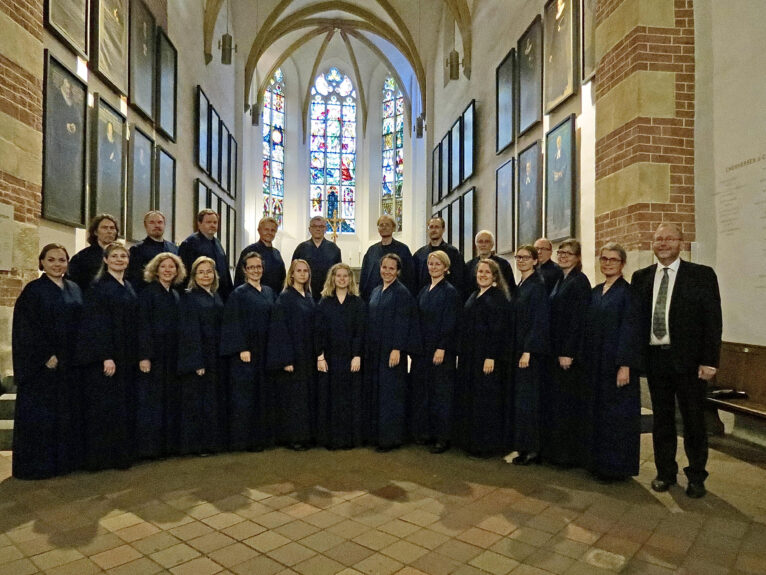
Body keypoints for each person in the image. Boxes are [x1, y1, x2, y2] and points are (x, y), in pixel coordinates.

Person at [631, 223, 722, 498]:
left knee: (693, 421)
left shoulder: (701, 275)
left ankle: (696, 476)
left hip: (690, 363)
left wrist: (709, 360)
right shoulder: (641, 277)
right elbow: (636, 321)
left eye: (669, 238)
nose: (663, 243)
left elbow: (712, 321)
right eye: (658, 239)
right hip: (656, 360)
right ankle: (665, 473)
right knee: (662, 420)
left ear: (681, 243)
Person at [12, 244, 83, 479]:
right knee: (42, 417)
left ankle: (64, 463)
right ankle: (38, 466)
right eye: (51, 260)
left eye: (62, 260)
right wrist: (45, 355)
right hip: (42, 367)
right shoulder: (33, 290)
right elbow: (26, 328)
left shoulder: (74, 288)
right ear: (41, 262)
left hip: (69, 364)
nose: (57, 264)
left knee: (65, 414)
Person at [583, 243, 641, 482]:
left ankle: (616, 468)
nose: (607, 263)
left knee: (616, 417)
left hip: (617, 364)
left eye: (613, 260)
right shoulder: (596, 291)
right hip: (597, 363)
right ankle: (597, 462)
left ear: (622, 264)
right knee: (598, 413)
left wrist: (625, 365)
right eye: (604, 259)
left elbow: (630, 329)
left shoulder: (628, 293)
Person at [77, 242, 137, 471]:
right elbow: (96, 325)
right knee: (105, 408)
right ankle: (101, 459)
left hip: (126, 354)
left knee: (122, 406)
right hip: (109, 357)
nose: (120, 260)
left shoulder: (128, 286)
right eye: (115, 256)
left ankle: (120, 455)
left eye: (123, 256)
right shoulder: (98, 287)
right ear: (105, 260)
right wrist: (106, 356)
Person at [220, 252, 276, 452]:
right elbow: (232, 322)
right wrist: (242, 347)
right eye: (251, 267)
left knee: (262, 394)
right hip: (246, 353)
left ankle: (262, 437)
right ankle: (246, 440)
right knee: (246, 396)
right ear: (244, 270)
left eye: (258, 267)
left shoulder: (268, 292)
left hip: (264, 350)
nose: (255, 270)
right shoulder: (238, 294)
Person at [365, 254, 421, 451]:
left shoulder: (402, 293)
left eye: (391, 268)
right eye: (384, 267)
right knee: (378, 392)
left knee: (391, 395)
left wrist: (397, 348)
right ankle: (376, 435)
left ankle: (390, 438)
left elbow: (403, 322)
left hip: (392, 351)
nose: (387, 271)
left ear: (398, 271)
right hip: (376, 351)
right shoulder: (376, 291)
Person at [543, 238, 591, 467]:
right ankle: (558, 452)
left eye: (568, 253)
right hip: (556, 349)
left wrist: (568, 352)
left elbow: (577, 321)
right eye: (560, 252)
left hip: (567, 353)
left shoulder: (579, 282)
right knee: (558, 403)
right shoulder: (561, 279)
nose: (562, 256)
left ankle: (568, 456)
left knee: (567, 404)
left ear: (577, 258)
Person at [456, 258, 509, 458]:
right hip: (471, 355)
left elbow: (498, 331)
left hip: (486, 357)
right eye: (480, 272)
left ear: (494, 276)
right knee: (472, 398)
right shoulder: (474, 294)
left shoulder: (497, 298)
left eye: (487, 272)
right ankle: (471, 442)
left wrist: (491, 356)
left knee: (485, 401)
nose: (483, 275)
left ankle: (485, 446)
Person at [135, 252, 185, 459]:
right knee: (153, 402)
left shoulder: (175, 294)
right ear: (155, 270)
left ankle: (167, 446)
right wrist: (144, 356)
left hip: (171, 354)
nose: (167, 270)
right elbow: (143, 326)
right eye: (163, 266)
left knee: (169, 400)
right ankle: (151, 448)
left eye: (172, 267)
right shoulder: (148, 294)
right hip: (154, 355)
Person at [411, 251, 461, 454]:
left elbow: (450, 322)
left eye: (437, 264)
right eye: (430, 264)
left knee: (441, 394)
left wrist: (442, 347)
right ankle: (427, 433)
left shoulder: (450, 292)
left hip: (441, 350)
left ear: (446, 267)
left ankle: (442, 437)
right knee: (426, 392)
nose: (433, 267)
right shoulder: (424, 290)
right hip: (424, 349)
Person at [177, 257, 226, 455]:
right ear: (194, 276)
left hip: (215, 355)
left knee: (211, 401)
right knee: (198, 403)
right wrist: (197, 362)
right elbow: (189, 332)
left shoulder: (215, 295)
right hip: (199, 357)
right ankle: (197, 445)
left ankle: (212, 442)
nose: (206, 275)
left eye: (209, 271)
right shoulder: (190, 297)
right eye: (201, 272)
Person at [315, 263, 366, 449]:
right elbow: (318, 331)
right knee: (331, 398)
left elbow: (360, 331)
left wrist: (357, 355)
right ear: (333, 278)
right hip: (329, 358)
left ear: (351, 279)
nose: (342, 279)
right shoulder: (324, 302)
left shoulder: (358, 303)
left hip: (350, 358)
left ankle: (349, 439)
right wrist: (320, 356)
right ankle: (331, 439)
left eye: (346, 276)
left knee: (349, 399)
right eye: (339, 275)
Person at [266, 259, 317, 450]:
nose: (302, 274)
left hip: (307, 355)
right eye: (299, 271)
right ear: (292, 274)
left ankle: (306, 435)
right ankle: (294, 438)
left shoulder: (309, 296)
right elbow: (279, 331)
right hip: (293, 355)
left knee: (305, 397)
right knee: (294, 399)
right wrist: (286, 359)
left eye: (305, 271)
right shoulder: (285, 298)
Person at [509, 245, 550, 465]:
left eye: (525, 257)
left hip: (529, 354)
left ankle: (532, 450)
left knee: (529, 402)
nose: (521, 260)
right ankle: (523, 446)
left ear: (535, 261)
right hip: (518, 350)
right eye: (518, 257)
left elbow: (538, 321)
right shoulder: (522, 284)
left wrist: (528, 351)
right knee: (521, 401)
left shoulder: (537, 286)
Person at [178, 209, 233, 301]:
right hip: (197, 296)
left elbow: (225, 271)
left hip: (219, 295)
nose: (212, 225)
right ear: (199, 224)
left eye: (215, 222)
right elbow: (184, 273)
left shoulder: (217, 243)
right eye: (208, 222)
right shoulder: (190, 243)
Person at [359, 214, 416, 300]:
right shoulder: (372, 250)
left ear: (393, 228)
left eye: (387, 225)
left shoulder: (403, 249)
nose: (384, 227)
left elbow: (410, 276)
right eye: (381, 225)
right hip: (373, 297)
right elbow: (365, 275)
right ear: (378, 229)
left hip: (396, 297)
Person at [292, 216, 342, 301]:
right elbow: (293, 273)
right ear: (310, 229)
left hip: (328, 294)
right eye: (314, 226)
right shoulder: (301, 248)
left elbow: (338, 273)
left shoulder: (334, 249)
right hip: (305, 294)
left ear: (325, 229)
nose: (318, 229)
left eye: (321, 226)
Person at [127, 211, 178, 292]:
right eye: (152, 222)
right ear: (145, 225)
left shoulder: (174, 249)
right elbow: (134, 278)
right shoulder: (137, 249)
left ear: (164, 224)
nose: (156, 225)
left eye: (160, 222)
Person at [412, 217, 464, 295]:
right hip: (424, 296)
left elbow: (459, 280)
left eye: (437, 227)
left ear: (443, 229)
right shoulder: (419, 254)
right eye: (431, 227)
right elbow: (414, 280)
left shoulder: (453, 253)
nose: (433, 230)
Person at [235, 216, 286, 294]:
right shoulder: (249, 251)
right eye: (266, 229)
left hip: (274, 297)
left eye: (273, 230)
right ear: (259, 230)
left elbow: (282, 278)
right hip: (251, 296)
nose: (269, 233)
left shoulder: (277, 254)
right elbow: (240, 278)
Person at [68, 214, 119, 291]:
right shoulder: (82, 257)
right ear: (95, 232)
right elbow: (72, 285)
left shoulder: (123, 256)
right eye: (104, 228)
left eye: (112, 228)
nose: (109, 231)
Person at [464, 230, 516, 300]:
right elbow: (465, 290)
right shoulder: (469, 266)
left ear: (492, 244)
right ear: (476, 244)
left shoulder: (503, 264)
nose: (483, 245)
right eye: (480, 241)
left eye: (487, 241)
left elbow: (511, 288)